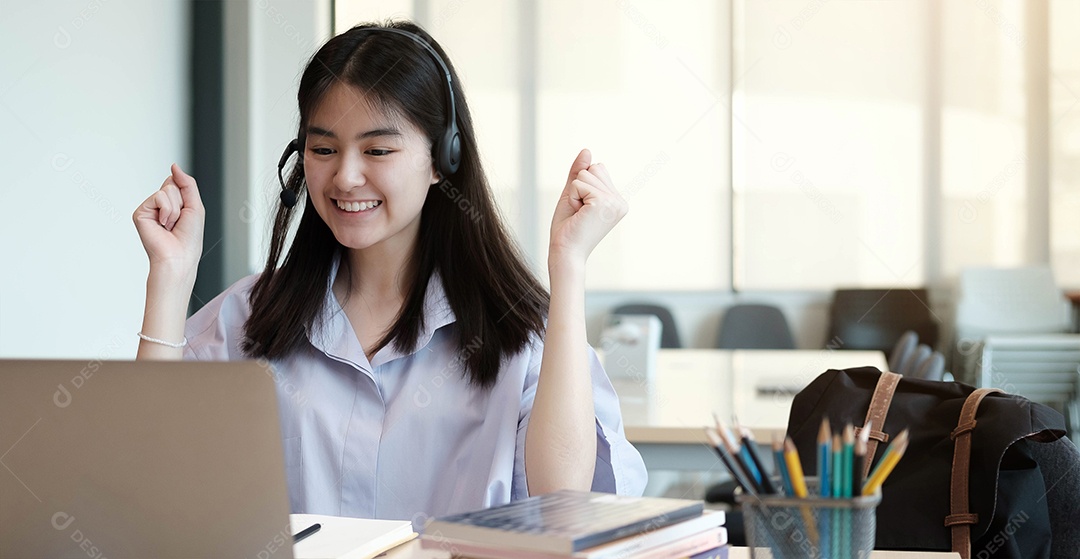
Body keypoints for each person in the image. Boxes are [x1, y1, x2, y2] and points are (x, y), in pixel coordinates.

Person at [131, 20, 647, 526]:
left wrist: (569, 266)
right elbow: (147, 486)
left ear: (443, 158)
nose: (346, 176)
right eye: (323, 149)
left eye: (377, 150)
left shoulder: (523, 334)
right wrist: (170, 279)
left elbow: (563, 506)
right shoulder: (248, 318)